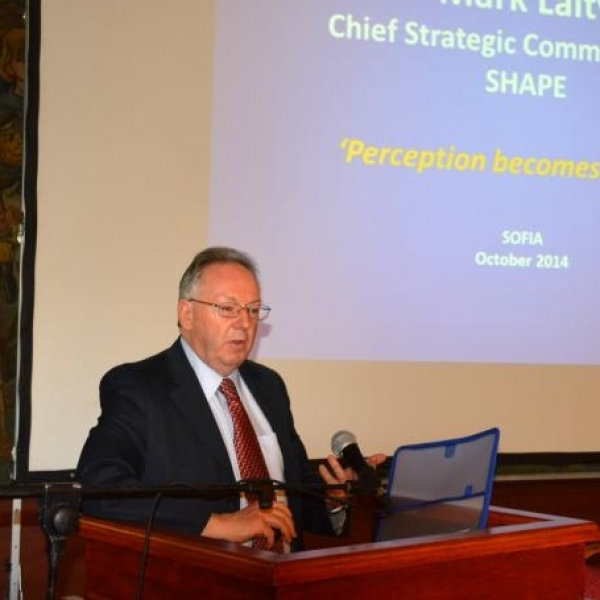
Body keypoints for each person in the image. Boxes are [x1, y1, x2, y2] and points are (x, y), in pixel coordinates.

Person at [77, 246, 384, 551]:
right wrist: (217, 523)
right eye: (228, 308)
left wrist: (331, 499)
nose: (245, 323)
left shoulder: (269, 386)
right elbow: (99, 488)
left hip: (284, 572)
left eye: (253, 310)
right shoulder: (139, 387)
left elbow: (292, 496)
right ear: (187, 314)